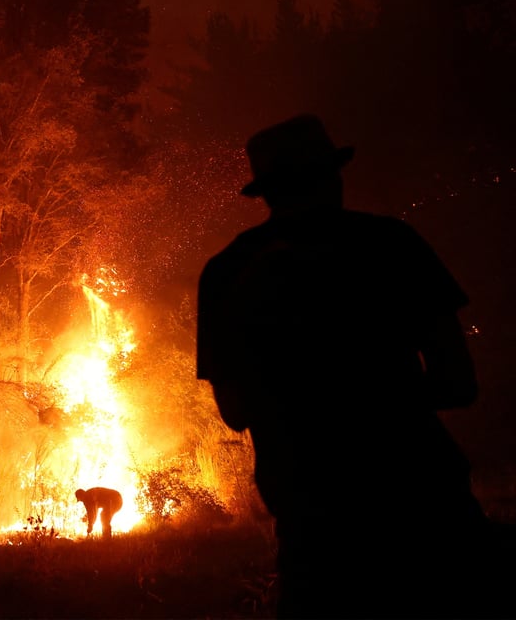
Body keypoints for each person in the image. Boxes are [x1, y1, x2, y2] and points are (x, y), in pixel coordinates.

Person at [197, 114, 507, 618]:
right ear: (332, 174)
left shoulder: (227, 273)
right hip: (424, 505)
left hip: (311, 518)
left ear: (267, 192)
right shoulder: (393, 246)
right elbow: (458, 382)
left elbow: (234, 411)